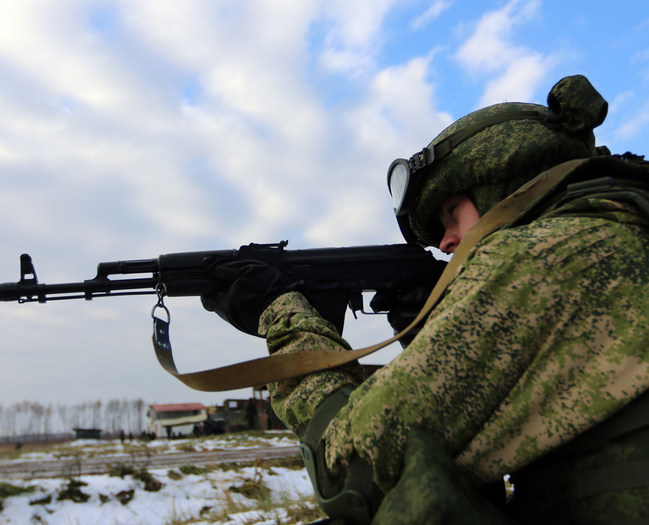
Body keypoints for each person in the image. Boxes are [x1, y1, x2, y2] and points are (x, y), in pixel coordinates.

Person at [201, 75, 649, 524]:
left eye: (453, 215)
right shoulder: (617, 230)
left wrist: (282, 314)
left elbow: (357, 472)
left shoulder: (544, 255)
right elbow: (476, 437)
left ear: (507, 185)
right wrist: (424, 332)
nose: (446, 243)